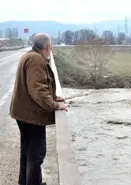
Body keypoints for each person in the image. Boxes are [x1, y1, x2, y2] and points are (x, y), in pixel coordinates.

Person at [10, 33, 67, 185]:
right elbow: (39, 90)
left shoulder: (30, 55)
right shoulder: (35, 60)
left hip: (25, 113)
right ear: (47, 47)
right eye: (51, 46)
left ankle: (25, 182)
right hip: (31, 116)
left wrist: (54, 97)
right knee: (36, 155)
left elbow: (38, 87)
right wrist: (55, 105)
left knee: (27, 153)